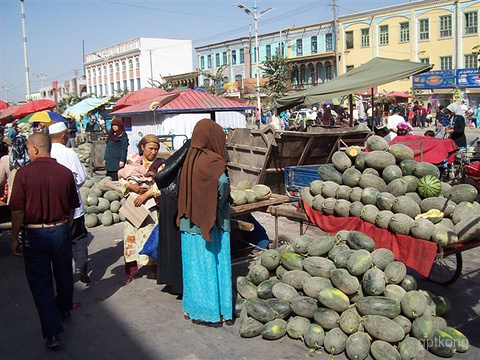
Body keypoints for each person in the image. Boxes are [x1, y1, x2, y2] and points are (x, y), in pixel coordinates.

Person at [9, 132, 79, 349]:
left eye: (29, 149)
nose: (28, 153)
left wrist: (14, 238)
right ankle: (64, 308)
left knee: (41, 284)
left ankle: (53, 333)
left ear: (35, 149)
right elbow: (71, 207)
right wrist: (64, 227)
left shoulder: (24, 174)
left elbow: (18, 211)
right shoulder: (65, 173)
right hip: (59, 230)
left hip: (35, 234)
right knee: (64, 273)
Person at [177, 119, 232, 327]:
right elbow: (222, 184)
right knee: (214, 266)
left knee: (194, 269)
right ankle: (217, 312)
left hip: (189, 223)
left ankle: (195, 309)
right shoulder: (213, 161)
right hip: (213, 224)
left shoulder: (189, 159)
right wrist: (217, 203)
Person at [118, 134, 165, 285]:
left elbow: (161, 185)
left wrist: (145, 195)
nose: (154, 152)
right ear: (142, 147)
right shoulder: (133, 161)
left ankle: (155, 269)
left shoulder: (160, 165)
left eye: (156, 149)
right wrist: (130, 186)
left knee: (152, 237)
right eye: (151, 148)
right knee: (131, 237)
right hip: (134, 206)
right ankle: (131, 271)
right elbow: (122, 179)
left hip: (150, 207)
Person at [48, 122, 90, 284]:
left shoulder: (45, 153)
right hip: (73, 206)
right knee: (78, 237)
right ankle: (80, 267)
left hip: (53, 207)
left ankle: (62, 274)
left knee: (60, 242)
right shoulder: (68, 153)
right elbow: (81, 177)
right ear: (64, 136)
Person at [154, 139, 191, 296]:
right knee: (177, 242)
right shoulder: (191, 155)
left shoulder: (180, 155)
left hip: (169, 199)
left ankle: (169, 279)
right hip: (175, 200)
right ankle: (179, 285)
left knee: (169, 241)